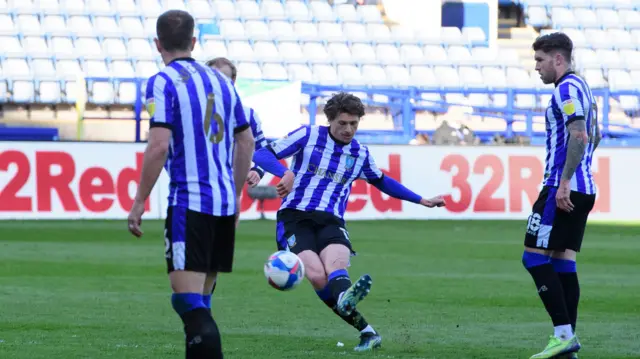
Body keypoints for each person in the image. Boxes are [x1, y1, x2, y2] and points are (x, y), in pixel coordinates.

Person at [252, 92, 446, 352]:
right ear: (330, 120)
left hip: (332, 220)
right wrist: (285, 172)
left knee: (336, 266)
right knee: (318, 276)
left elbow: (382, 181)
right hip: (295, 218)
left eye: (354, 124)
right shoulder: (308, 135)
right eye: (342, 123)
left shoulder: (360, 153)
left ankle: (358, 318)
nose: (348, 129)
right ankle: (363, 325)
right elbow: (262, 153)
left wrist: (421, 200)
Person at [126, 10, 255, 359]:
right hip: (224, 205)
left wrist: (139, 202)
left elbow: (158, 145)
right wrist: (237, 194)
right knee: (202, 301)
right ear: (194, 41)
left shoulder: (162, 82)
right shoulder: (223, 82)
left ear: (158, 43)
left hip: (190, 203)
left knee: (186, 301)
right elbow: (246, 142)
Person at [523, 32, 601, 359]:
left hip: (562, 187)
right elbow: (594, 135)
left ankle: (563, 334)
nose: (536, 67)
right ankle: (568, 345)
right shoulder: (584, 87)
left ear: (558, 59)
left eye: (540, 60)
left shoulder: (567, 88)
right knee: (562, 261)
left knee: (533, 256)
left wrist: (565, 179)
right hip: (585, 187)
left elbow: (580, 134)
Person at [205, 57, 267, 188]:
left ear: (233, 81)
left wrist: (258, 170)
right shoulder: (191, 111)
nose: (218, 83)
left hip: (229, 189)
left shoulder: (248, 115)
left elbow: (263, 151)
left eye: (223, 79)